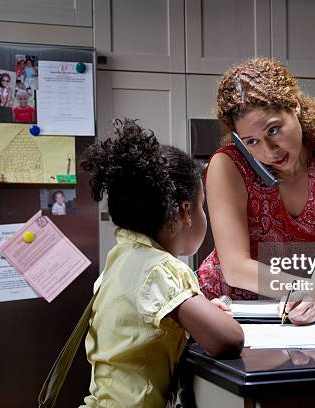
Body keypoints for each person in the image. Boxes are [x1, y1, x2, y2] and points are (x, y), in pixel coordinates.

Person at [79, 118, 244, 407]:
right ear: (185, 212)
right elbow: (228, 339)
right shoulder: (159, 268)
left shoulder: (121, 257)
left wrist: (196, 314)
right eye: (201, 206)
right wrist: (215, 319)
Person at [198, 58, 315, 325]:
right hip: (227, 311)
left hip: (298, 311)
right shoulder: (228, 165)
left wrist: (309, 296)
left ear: (294, 106)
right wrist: (309, 292)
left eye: (274, 129)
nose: (269, 150)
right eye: (252, 141)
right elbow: (236, 268)